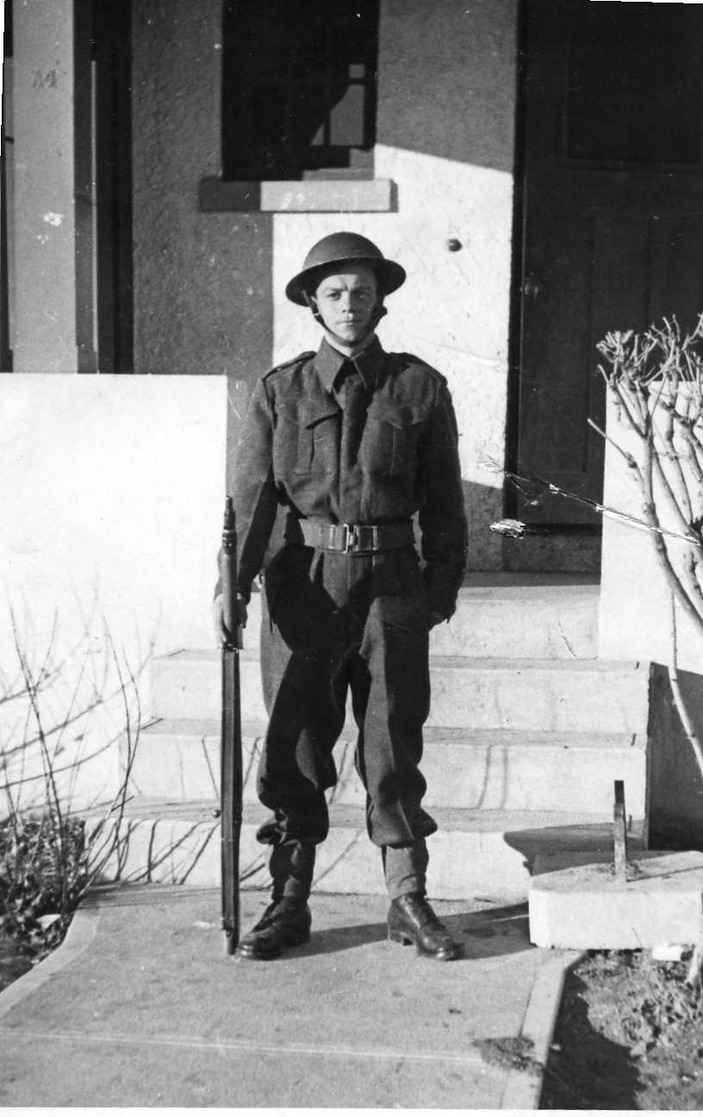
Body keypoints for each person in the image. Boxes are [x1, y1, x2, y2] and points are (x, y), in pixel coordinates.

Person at [214, 232, 468, 962]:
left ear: (381, 301)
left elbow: (445, 505)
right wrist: (231, 588)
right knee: (295, 743)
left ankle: (407, 898)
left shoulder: (419, 388)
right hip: (304, 587)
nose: (349, 304)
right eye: (334, 292)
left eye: (361, 291)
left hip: (391, 587)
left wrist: (437, 590)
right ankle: (288, 902)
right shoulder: (281, 391)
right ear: (313, 305)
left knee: (392, 742)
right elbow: (251, 503)